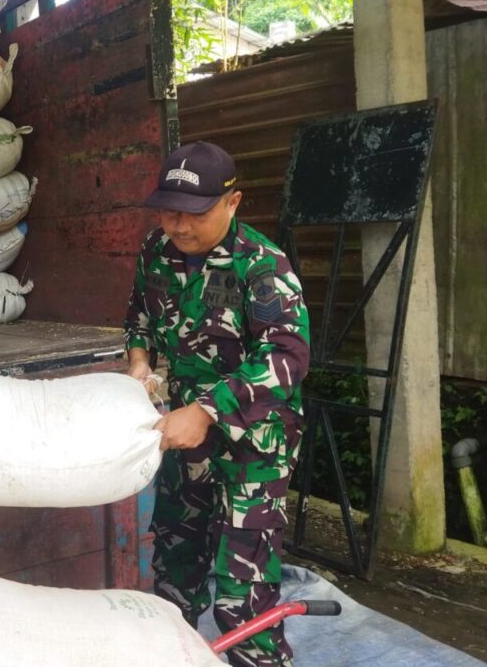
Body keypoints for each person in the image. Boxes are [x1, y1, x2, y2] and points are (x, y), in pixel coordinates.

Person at [124, 142, 310, 667]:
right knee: (174, 574)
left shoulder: (263, 267)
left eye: (195, 214)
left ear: (233, 203)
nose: (179, 227)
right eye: (168, 211)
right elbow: (138, 315)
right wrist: (139, 362)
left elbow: (286, 358)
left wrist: (206, 411)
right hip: (186, 441)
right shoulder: (154, 252)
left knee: (241, 594)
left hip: (253, 446)